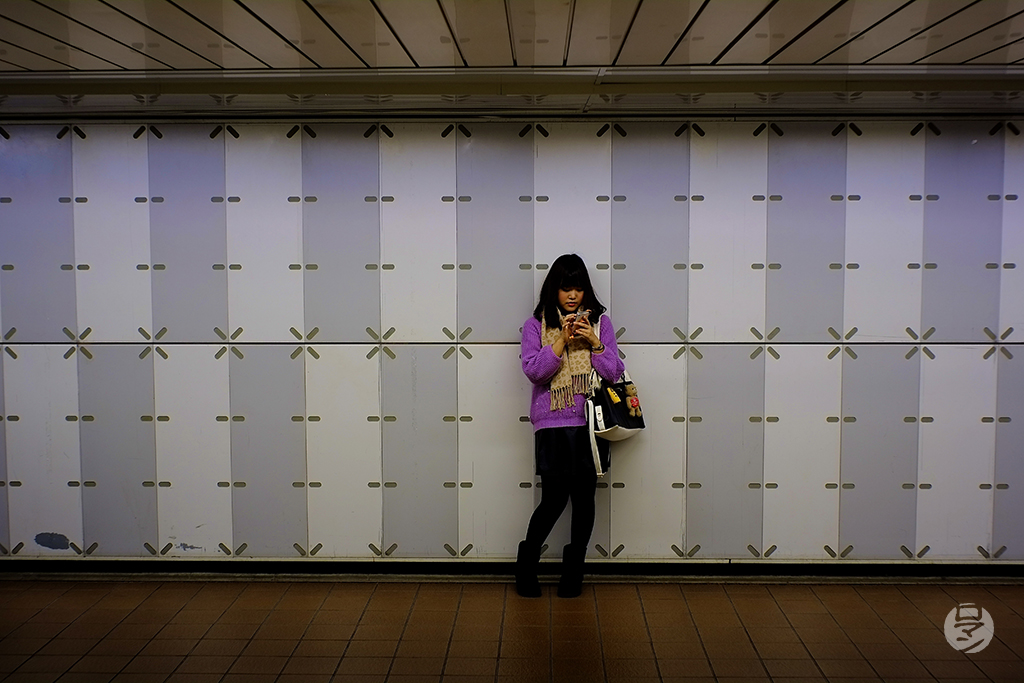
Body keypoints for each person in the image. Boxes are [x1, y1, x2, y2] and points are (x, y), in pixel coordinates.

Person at [517, 253, 624, 598]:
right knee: (553, 499)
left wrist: (594, 341)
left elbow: (613, 372)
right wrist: (561, 340)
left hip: (590, 423)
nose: (573, 296)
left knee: (584, 498)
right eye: (565, 288)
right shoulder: (536, 326)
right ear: (554, 290)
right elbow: (534, 372)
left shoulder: (600, 324)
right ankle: (526, 569)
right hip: (551, 424)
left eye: (578, 288)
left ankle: (572, 574)